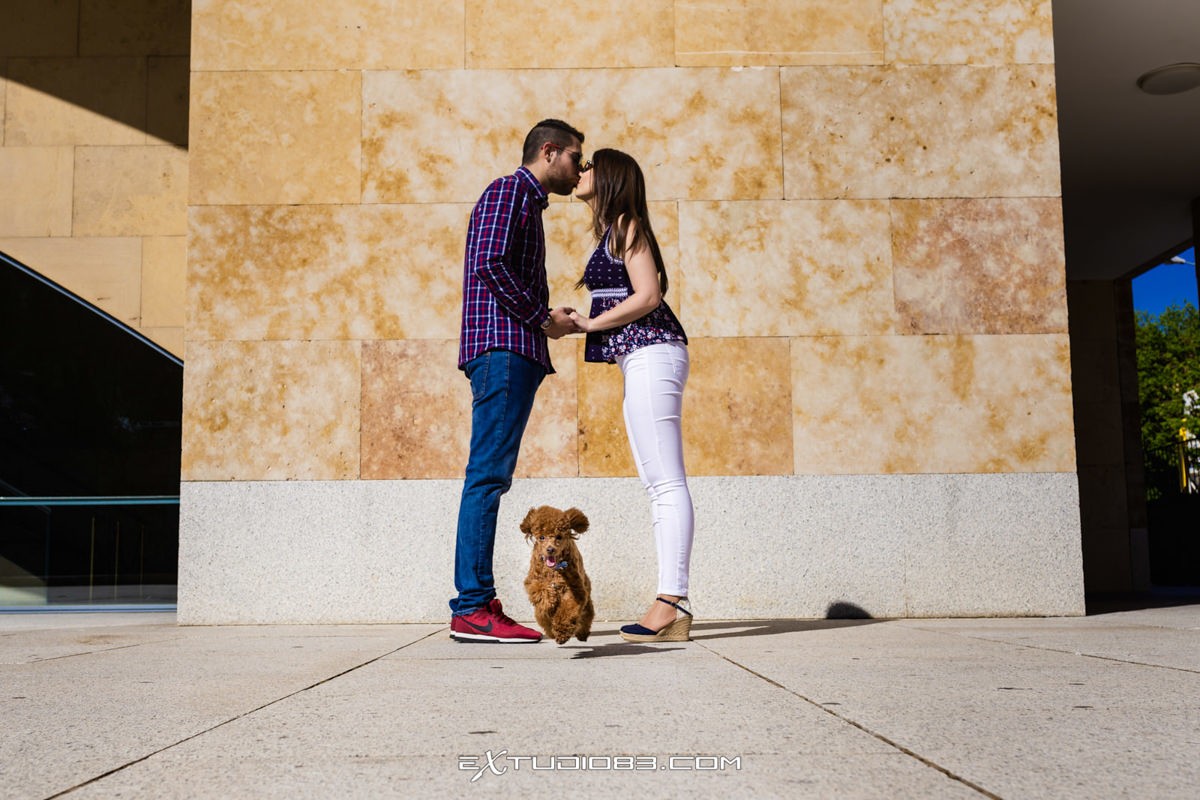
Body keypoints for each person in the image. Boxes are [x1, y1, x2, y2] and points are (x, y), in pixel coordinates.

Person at [449, 119, 586, 643]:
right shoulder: (510, 191)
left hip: (512, 350)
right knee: (486, 478)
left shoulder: (524, 202)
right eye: (576, 157)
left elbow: (500, 269)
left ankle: (474, 603)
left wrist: (546, 318)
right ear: (549, 152)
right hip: (503, 352)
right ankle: (473, 606)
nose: (579, 169)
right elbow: (488, 263)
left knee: (489, 477)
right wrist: (542, 318)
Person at [568, 148, 695, 643]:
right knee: (655, 480)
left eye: (588, 166)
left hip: (653, 351)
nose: (580, 174)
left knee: (665, 482)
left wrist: (590, 324)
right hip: (641, 356)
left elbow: (648, 295)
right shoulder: (613, 230)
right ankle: (670, 601)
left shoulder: (627, 224)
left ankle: (671, 601)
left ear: (610, 176)